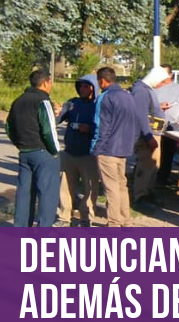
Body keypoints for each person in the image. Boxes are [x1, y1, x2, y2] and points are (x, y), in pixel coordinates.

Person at [6, 69, 62, 227]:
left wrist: (20, 144)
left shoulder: (18, 101)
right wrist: (54, 151)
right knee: (47, 194)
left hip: (25, 152)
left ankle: (21, 230)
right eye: (50, 82)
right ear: (45, 83)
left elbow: (9, 126)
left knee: (24, 193)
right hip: (43, 153)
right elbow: (48, 130)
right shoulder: (43, 101)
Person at [92, 67, 141, 227]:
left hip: (108, 149)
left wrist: (96, 148)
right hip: (124, 149)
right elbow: (136, 122)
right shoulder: (128, 97)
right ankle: (125, 220)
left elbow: (101, 126)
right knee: (121, 185)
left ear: (102, 81)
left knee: (110, 188)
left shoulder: (104, 98)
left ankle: (114, 223)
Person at [55, 74, 101, 227]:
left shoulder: (98, 105)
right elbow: (58, 120)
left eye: (86, 86)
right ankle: (63, 217)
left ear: (94, 88)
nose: (83, 89)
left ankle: (86, 218)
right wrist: (58, 111)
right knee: (65, 187)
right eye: (81, 86)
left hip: (89, 154)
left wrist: (89, 129)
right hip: (69, 152)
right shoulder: (72, 103)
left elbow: (104, 127)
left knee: (90, 189)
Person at [130, 66, 167, 207]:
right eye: (162, 82)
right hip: (147, 135)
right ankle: (140, 196)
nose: (161, 85)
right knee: (145, 165)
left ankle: (148, 190)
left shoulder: (146, 90)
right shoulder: (140, 91)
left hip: (153, 133)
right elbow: (141, 115)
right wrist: (148, 137)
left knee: (152, 165)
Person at [155, 64, 179, 186]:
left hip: (173, 125)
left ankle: (164, 176)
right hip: (157, 124)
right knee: (156, 151)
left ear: (170, 75)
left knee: (169, 152)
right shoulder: (155, 88)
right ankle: (154, 176)